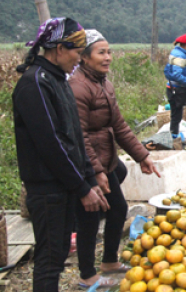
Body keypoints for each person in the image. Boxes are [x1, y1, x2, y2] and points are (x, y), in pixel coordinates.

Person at [12, 17, 110, 292]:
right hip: (47, 188)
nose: (79, 59)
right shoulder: (35, 84)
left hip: (63, 184)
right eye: (77, 53)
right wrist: (81, 187)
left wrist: (90, 178)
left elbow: (75, 137)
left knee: (58, 252)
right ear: (58, 49)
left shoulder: (58, 80)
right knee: (50, 260)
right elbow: (51, 145)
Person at [69, 29, 161, 288]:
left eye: (109, 51)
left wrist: (142, 156)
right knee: (88, 217)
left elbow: (119, 126)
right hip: (87, 164)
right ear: (84, 58)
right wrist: (95, 171)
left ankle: (109, 261)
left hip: (105, 159)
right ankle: (87, 275)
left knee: (118, 208)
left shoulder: (103, 83)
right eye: (101, 52)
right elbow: (80, 136)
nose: (108, 57)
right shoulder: (78, 87)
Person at [164, 34, 186, 139]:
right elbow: (177, 75)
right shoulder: (180, 56)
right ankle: (174, 138)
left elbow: (168, 71)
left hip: (171, 87)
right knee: (177, 116)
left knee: (175, 115)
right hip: (176, 90)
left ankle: (173, 135)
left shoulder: (174, 52)